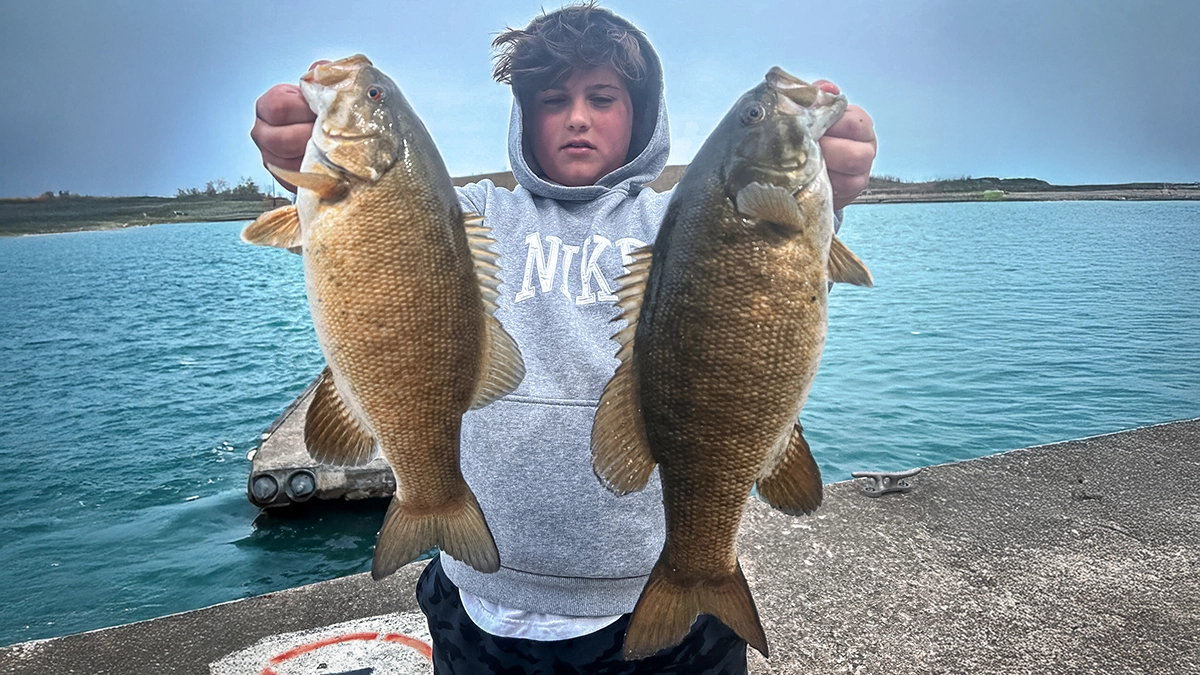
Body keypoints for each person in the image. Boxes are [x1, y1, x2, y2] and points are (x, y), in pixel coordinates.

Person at [251, 4, 876, 673]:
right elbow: (378, 240)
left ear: (641, 110)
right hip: (480, 608)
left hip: (651, 602)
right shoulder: (474, 214)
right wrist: (297, 150)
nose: (578, 116)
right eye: (554, 100)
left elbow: (759, 264)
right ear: (523, 115)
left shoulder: (682, 220)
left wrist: (828, 184)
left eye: (602, 98)